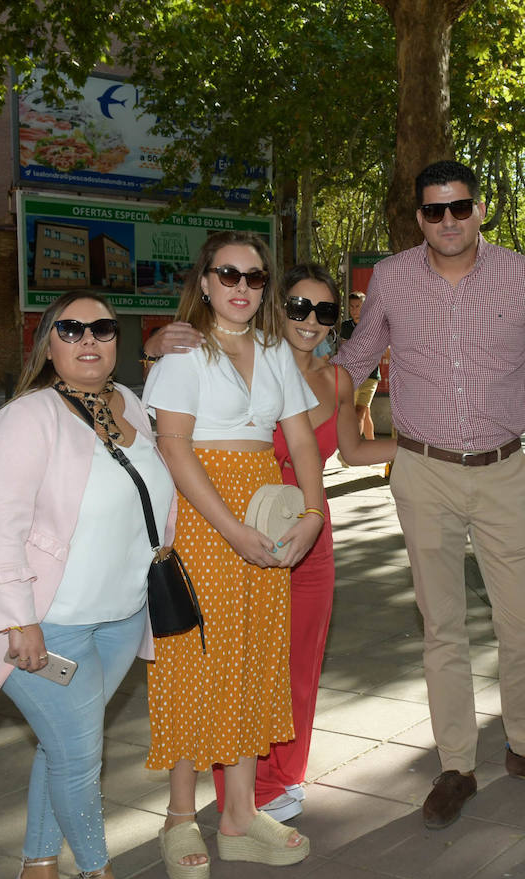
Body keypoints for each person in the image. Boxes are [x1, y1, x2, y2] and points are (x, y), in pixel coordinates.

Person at [334, 160, 525, 830]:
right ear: (419, 217)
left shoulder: (522, 275)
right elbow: (357, 359)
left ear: (480, 209)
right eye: (434, 210)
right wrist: (275, 374)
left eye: (460, 207)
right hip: (425, 472)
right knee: (442, 627)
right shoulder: (390, 278)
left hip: (504, 472)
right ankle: (456, 765)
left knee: (524, 619)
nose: (448, 220)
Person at [0, 291, 173, 879]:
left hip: (123, 615)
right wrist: (19, 618)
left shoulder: (132, 406)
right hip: (51, 621)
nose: (88, 339)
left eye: (101, 328)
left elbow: (154, 497)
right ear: (49, 343)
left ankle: (38, 873)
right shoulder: (27, 417)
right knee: (78, 754)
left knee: (64, 746)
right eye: (71, 329)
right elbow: (0, 527)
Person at [144, 263, 398, 823]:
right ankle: (240, 790)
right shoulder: (241, 361)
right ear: (276, 307)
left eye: (325, 311)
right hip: (238, 533)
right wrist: (155, 345)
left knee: (298, 665)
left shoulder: (338, 382)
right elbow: (175, 419)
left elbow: (352, 453)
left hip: (309, 535)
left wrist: (435, 446)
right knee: (239, 662)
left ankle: (282, 778)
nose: (310, 321)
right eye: (299, 307)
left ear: (336, 322)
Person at [140, 230, 326, 879]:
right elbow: (175, 449)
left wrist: (312, 513)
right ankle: (180, 815)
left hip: (265, 518)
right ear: (206, 280)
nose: (242, 288)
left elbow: (300, 440)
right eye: (229, 275)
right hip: (202, 519)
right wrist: (229, 530)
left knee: (252, 654)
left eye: (254, 278)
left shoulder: (276, 350)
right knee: (196, 659)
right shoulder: (183, 351)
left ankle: (241, 816)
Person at [340, 291, 378, 439]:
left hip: (370, 376)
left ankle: (353, 447)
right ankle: (372, 447)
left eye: (359, 306)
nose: (355, 310)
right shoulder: (346, 326)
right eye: (352, 307)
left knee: (359, 412)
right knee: (364, 412)